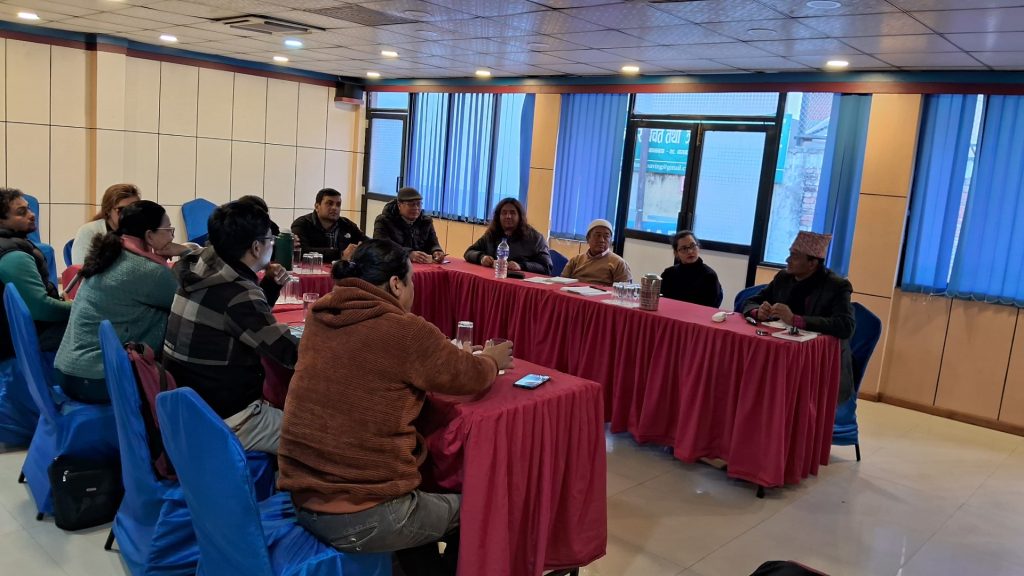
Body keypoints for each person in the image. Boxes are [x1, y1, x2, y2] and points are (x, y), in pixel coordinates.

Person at [278, 239, 513, 576]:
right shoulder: (404, 330)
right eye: (412, 280)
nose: (414, 289)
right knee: (482, 509)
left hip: (303, 497)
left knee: (420, 499)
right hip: (361, 513)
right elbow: (469, 377)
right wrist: (491, 360)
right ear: (395, 284)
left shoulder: (323, 313)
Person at [163, 201, 297, 454]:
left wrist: (267, 287)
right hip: (227, 420)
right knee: (319, 436)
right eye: (271, 239)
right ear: (257, 247)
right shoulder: (238, 294)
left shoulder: (199, 266)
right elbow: (288, 353)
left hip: (188, 406)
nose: (273, 245)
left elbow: (238, 323)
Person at [54, 201, 194, 403]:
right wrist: (185, 252)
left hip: (69, 371)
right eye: (168, 230)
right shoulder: (149, 272)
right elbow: (189, 302)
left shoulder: (110, 255)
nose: (172, 236)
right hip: (97, 378)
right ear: (149, 236)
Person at [742, 231, 856, 403]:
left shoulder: (836, 286)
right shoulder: (784, 277)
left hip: (819, 365)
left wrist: (796, 320)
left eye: (794, 256)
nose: (787, 260)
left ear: (812, 263)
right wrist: (758, 312)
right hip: (783, 355)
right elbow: (751, 301)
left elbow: (845, 325)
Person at [0, 188, 71, 359]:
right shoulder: (13, 256)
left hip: (18, 334)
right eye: (21, 212)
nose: (31, 215)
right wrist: (76, 307)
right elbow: (41, 309)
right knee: (94, 325)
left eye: (29, 209)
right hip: (23, 340)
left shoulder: (14, 245)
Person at [464, 198, 551, 274]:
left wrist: (521, 266)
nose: (508, 216)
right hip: (493, 280)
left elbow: (546, 267)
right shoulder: (491, 234)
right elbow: (469, 252)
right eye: (504, 213)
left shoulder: (535, 238)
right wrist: (482, 258)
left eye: (512, 213)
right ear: (498, 217)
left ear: (520, 217)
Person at [71, 183, 141, 265]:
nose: (129, 214)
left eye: (134, 209)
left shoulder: (142, 231)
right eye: (122, 210)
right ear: (108, 211)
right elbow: (81, 269)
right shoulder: (89, 231)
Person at [290, 188, 365, 262]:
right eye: (330, 203)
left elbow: (367, 242)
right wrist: (340, 255)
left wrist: (358, 249)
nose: (335, 208)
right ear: (317, 206)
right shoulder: (302, 224)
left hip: (342, 271)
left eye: (338, 205)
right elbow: (301, 251)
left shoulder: (347, 224)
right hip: (313, 270)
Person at [373, 187, 445, 264]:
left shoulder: (426, 221)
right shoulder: (383, 220)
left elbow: (433, 243)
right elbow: (382, 246)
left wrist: (436, 251)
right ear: (399, 205)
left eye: (419, 204)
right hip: (394, 266)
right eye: (411, 205)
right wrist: (408, 254)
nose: (416, 208)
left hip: (422, 266)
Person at [660, 231, 723, 307]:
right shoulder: (668, 274)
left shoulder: (709, 276)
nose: (690, 251)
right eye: (684, 248)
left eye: (693, 246)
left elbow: (710, 308)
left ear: (698, 247)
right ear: (676, 253)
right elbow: (660, 300)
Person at [560, 219, 631, 286]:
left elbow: (624, 293)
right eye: (598, 235)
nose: (602, 240)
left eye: (606, 236)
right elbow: (560, 283)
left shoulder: (619, 263)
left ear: (610, 240)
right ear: (588, 238)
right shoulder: (576, 260)